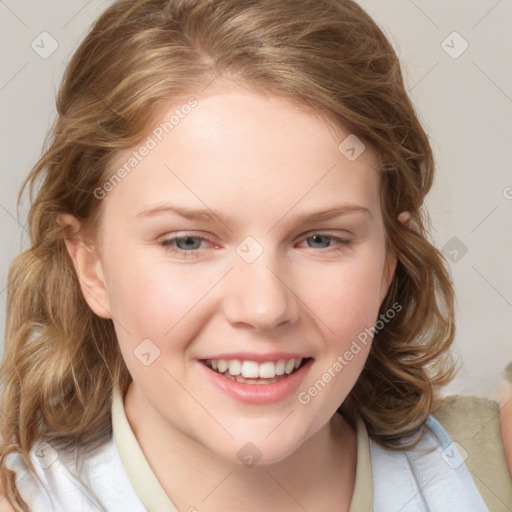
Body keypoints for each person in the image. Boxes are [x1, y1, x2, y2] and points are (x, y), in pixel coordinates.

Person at [0, 0, 510, 510]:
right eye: (188, 242)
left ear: (387, 261)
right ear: (90, 265)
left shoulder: (490, 466)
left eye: (320, 239)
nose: (264, 308)